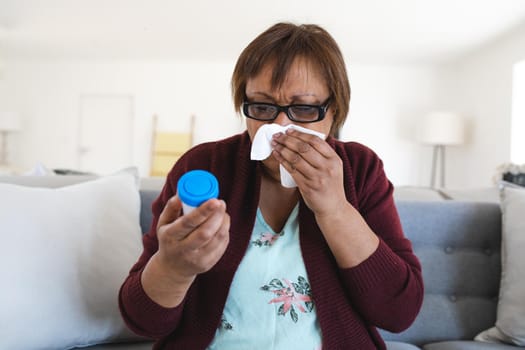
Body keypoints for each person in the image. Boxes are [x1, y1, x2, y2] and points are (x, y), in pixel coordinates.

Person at [119, 22, 423, 350]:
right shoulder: (203, 167)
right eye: (262, 107)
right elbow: (143, 321)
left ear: (333, 110)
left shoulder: (360, 170)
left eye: (303, 109)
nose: (279, 126)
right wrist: (173, 267)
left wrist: (334, 208)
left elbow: (399, 312)